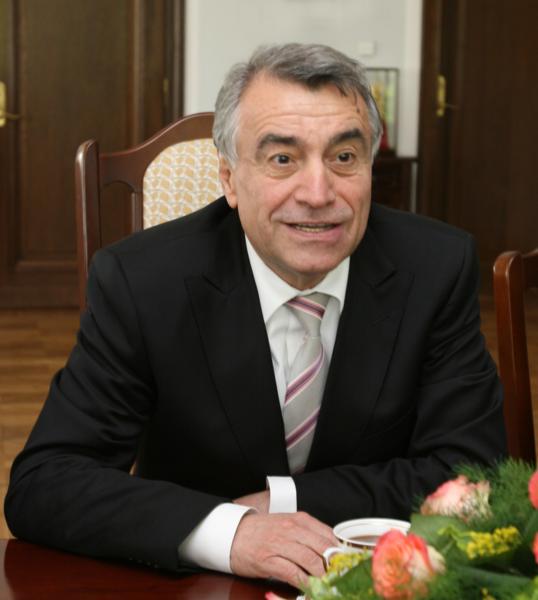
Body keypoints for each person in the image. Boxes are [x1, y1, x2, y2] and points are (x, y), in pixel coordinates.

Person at [5, 43, 506, 589]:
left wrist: (283, 502)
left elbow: (473, 474)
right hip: (197, 581)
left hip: (381, 579)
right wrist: (229, 532)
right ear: (229, 179)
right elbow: (45, 484)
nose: (318, 194)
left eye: (344, 157)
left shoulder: (436, 268)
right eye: (282, 159)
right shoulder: (142, 282)